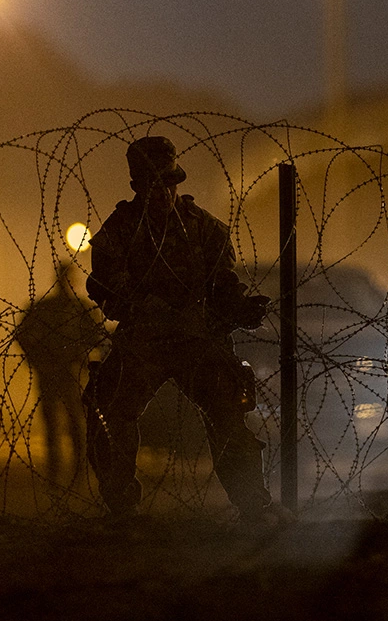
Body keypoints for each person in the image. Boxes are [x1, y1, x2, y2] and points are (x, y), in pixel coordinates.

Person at [83, 135, 281, 524]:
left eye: (169, 183)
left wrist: (240, 308)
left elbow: (222, 284)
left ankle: (252, 504)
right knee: (108, 409)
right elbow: (103, 287)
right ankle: (121, 506)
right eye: (154, 184)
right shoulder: (118, 231)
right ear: (139, 186)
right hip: (144, 342)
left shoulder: (205, 229)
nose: (163, 192)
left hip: (197, 340)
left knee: (228, 411)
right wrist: (141, 304)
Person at [14, 260, 103, 486]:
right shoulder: (49, 308)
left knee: (74, 423)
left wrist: (83, 357)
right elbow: (22, 334)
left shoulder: (79, 308)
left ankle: (77, 473)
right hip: (53, 370)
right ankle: (58, 473)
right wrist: (36, 359)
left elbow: (97, 338)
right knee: (54, 424)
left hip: (71, 371)